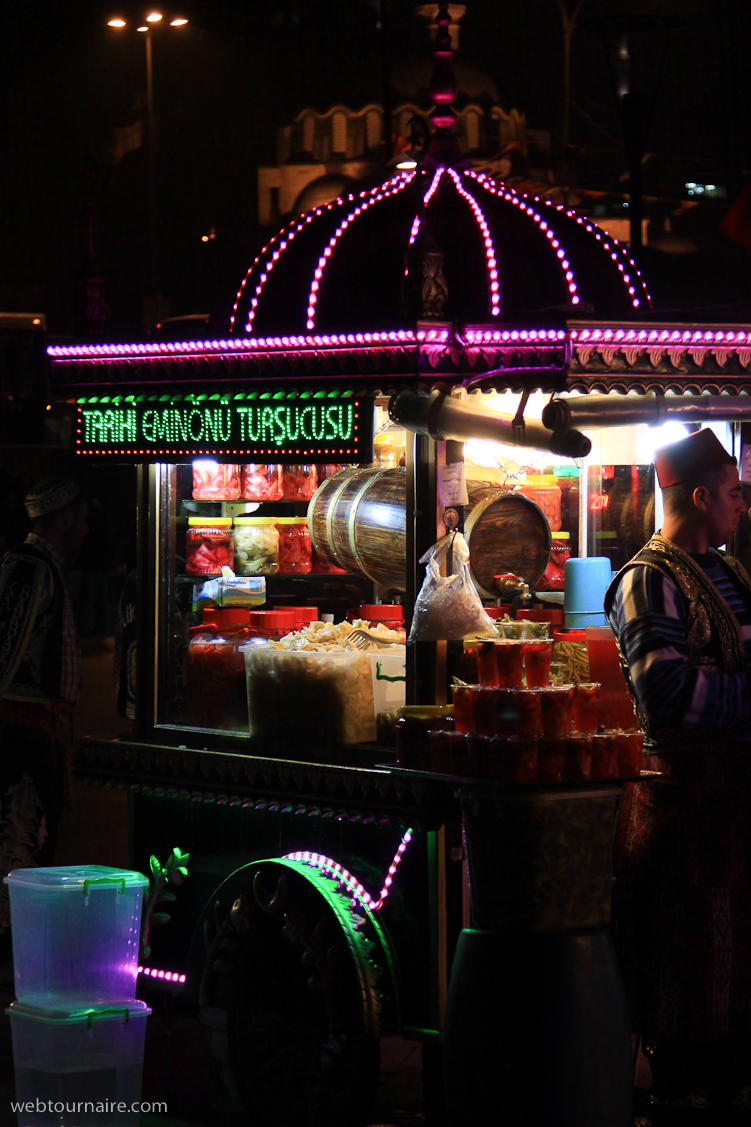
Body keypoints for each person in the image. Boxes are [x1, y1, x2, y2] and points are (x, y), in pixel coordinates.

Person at [605, 429, 751, 1122]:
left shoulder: (733, 574)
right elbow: (668, 696)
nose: (739, 506)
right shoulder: (645, 579)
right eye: (730, 493)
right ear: (698, 496)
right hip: (685, 816)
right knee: (687, 986)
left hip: (736, 814)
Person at [0, 477, 88, 948]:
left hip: (38, 735)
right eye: (84, 517)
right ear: (67, 516)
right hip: (23, 739)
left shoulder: (43, 568)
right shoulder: (28, 567)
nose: (88, 528)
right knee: (21, 846)